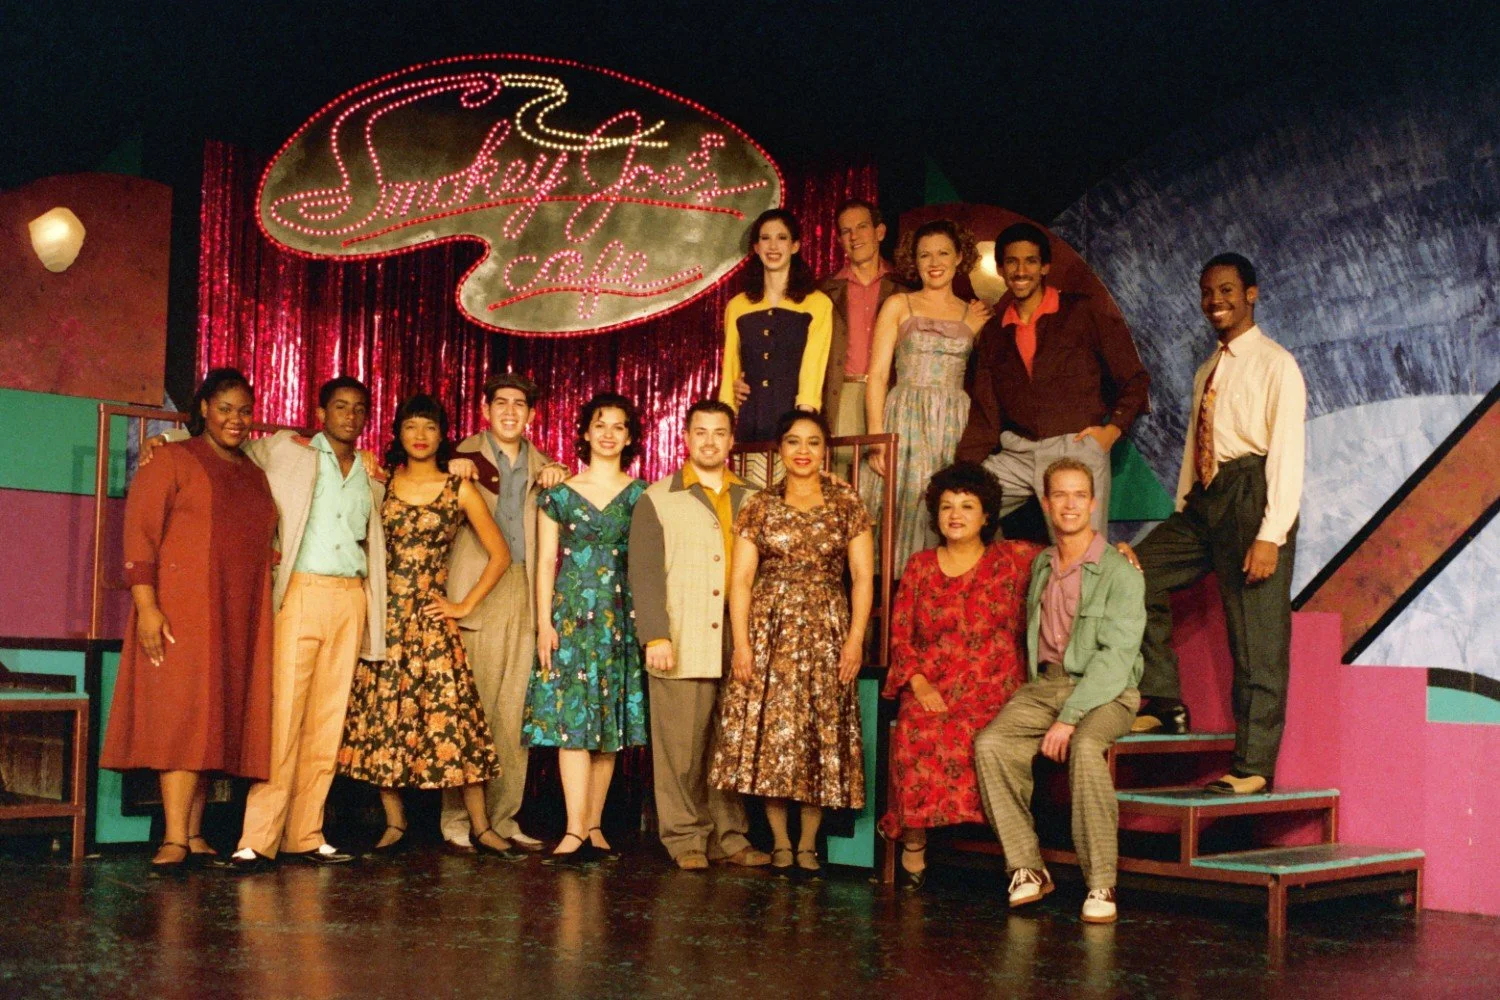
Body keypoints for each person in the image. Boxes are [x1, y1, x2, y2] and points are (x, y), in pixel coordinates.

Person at [1130, 254, 1306, 796]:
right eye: (1207, 292)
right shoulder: (1209, 367)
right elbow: (1196, 442)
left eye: (1226, 290)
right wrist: (1187, 501)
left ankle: (1253, 765)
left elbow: (1287, 453)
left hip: (1253, 495)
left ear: (1251, 294)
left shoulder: (1276, 363)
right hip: (1206, 500)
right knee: (1133, 571)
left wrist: (1270, 534)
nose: (1215, 301)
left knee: (1256, 638)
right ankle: (1163, 700)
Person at [101, 368, 279, 868]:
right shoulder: (173, 459)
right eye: (225, 409)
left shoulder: (254, 472)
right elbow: (139, 536)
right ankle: (174, 837)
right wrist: (147, 607)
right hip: (181, 610)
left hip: (236, 614)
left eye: (244, 410)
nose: (236, 420)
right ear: (203, 409)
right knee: (182, 718)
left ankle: (195, 834)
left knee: (211, 721)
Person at [337, 394, 521, 859]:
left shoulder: (458, 488)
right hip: (384, 619)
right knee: (384, 721)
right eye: (411, 426)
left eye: (430, 427)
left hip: (433, 623)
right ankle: (395, 824)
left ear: (443, 436)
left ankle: (481, 827)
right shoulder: (381, 482)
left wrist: (461, 605)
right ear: (399, 434)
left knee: (455, 723)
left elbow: (501, 555)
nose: (420, 436)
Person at [973, 458, 1144, 925]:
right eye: (1060, 495)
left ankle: (1100, 882)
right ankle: (1026, 868)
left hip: (1107, 691)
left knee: (1087, 747)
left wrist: (1070, 717)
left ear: (1093, 503)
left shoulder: (1120, 571)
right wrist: (1055, 705)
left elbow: (1115, 659)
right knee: (992, 745)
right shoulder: (1042, 563)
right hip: (1046, 685)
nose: (1069, 505)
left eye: (1079, 495)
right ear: (1046, 504)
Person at [710, 410, 875, 875]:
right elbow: (741, 579)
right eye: (793, 442)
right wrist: (742, 644)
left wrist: (856, 638)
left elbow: (862, 575)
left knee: (818, 733)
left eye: (813, 442)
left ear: (825, 450)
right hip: (770, 628)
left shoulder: (847, 504)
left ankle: (809, 843)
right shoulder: (760, 504)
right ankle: (780, 841)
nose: (803, 451)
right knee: (773, 737)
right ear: (780, 450)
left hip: (827, 628)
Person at [879, 463, 1041, 888]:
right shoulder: (919, 566)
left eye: (968, 506)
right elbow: (900, 635)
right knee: (917, 728)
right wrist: (918, 683)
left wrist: (1120, 551)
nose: (956, 514)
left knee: (974, 733)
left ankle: (1017, 854)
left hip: (994, 687)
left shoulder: (1015, 559)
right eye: (948, 506)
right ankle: (914, 839)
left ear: (987, 516)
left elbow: (1073, 553)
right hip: (931, 684)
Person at [628, 400, 770, 871]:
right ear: (685, 439)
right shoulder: (657, 497)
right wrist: (655, 635)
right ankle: (685, 837)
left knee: (728, 747)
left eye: (720, 432)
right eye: (701, 432)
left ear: (732, 441)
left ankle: (730, 837)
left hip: (738, 641)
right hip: (681, 638)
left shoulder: (755, 496)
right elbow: (644, 575)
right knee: (681, 751)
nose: (710, 441)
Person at [437, 373, 569, 855]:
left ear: (532, 414)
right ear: (486, 408)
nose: (511, 411)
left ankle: (504, 817)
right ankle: (455, 819)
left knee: (514, 714)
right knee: (468, 711)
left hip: (525, 590)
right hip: (476, 589)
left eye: (520, 405)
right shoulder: (460, 457)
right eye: (502, 403)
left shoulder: (543, 464)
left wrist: (561, 470)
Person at [955, 222, 1151, 534]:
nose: (1021, 270)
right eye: (1012, 262)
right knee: (958, 508)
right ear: (1001, 269)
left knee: (1082, 556)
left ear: (1045, 267)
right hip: (1018, 454)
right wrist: (960, 474)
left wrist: (1110, 432)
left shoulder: (1080, 310)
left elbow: (1134, 378)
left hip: (1075, 450)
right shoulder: (994, 333)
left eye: (1030, 261)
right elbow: (985, 411)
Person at [523, 392, 649, 865]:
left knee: (608, 724)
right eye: (600, 424)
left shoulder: (642, 494)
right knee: (572, 721)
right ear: (585, 432)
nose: (609, 433)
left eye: (619, 426)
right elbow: (544, 564)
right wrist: (543, 624)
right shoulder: (557, 495)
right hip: (571, 617)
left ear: (631, 437)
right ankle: (573, 829)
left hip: (620, 617)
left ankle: (594, 825)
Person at [863, 219, 992, 575]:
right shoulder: (898, 304)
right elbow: (876, 376)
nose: (934, 262)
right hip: (905, 418)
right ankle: (897, 602)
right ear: (914, 262)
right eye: (925, 255)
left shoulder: (973, 314)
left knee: (949, 507)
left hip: (952, 424)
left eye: (942, 253)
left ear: (958, 258)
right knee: (903, 508)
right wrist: (877, 439)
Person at [718, 209, 833, 481]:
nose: (773, 246)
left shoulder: (817, 303)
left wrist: (803, 422)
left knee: (792, 500)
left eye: (781, 238)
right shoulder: (738, 305)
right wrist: (726, 418)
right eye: (765, 238)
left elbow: (813, 366)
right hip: (752, 416)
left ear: (795, 246)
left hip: (792, 416)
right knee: (752, 499)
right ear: (756, 247)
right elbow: (730, 368)